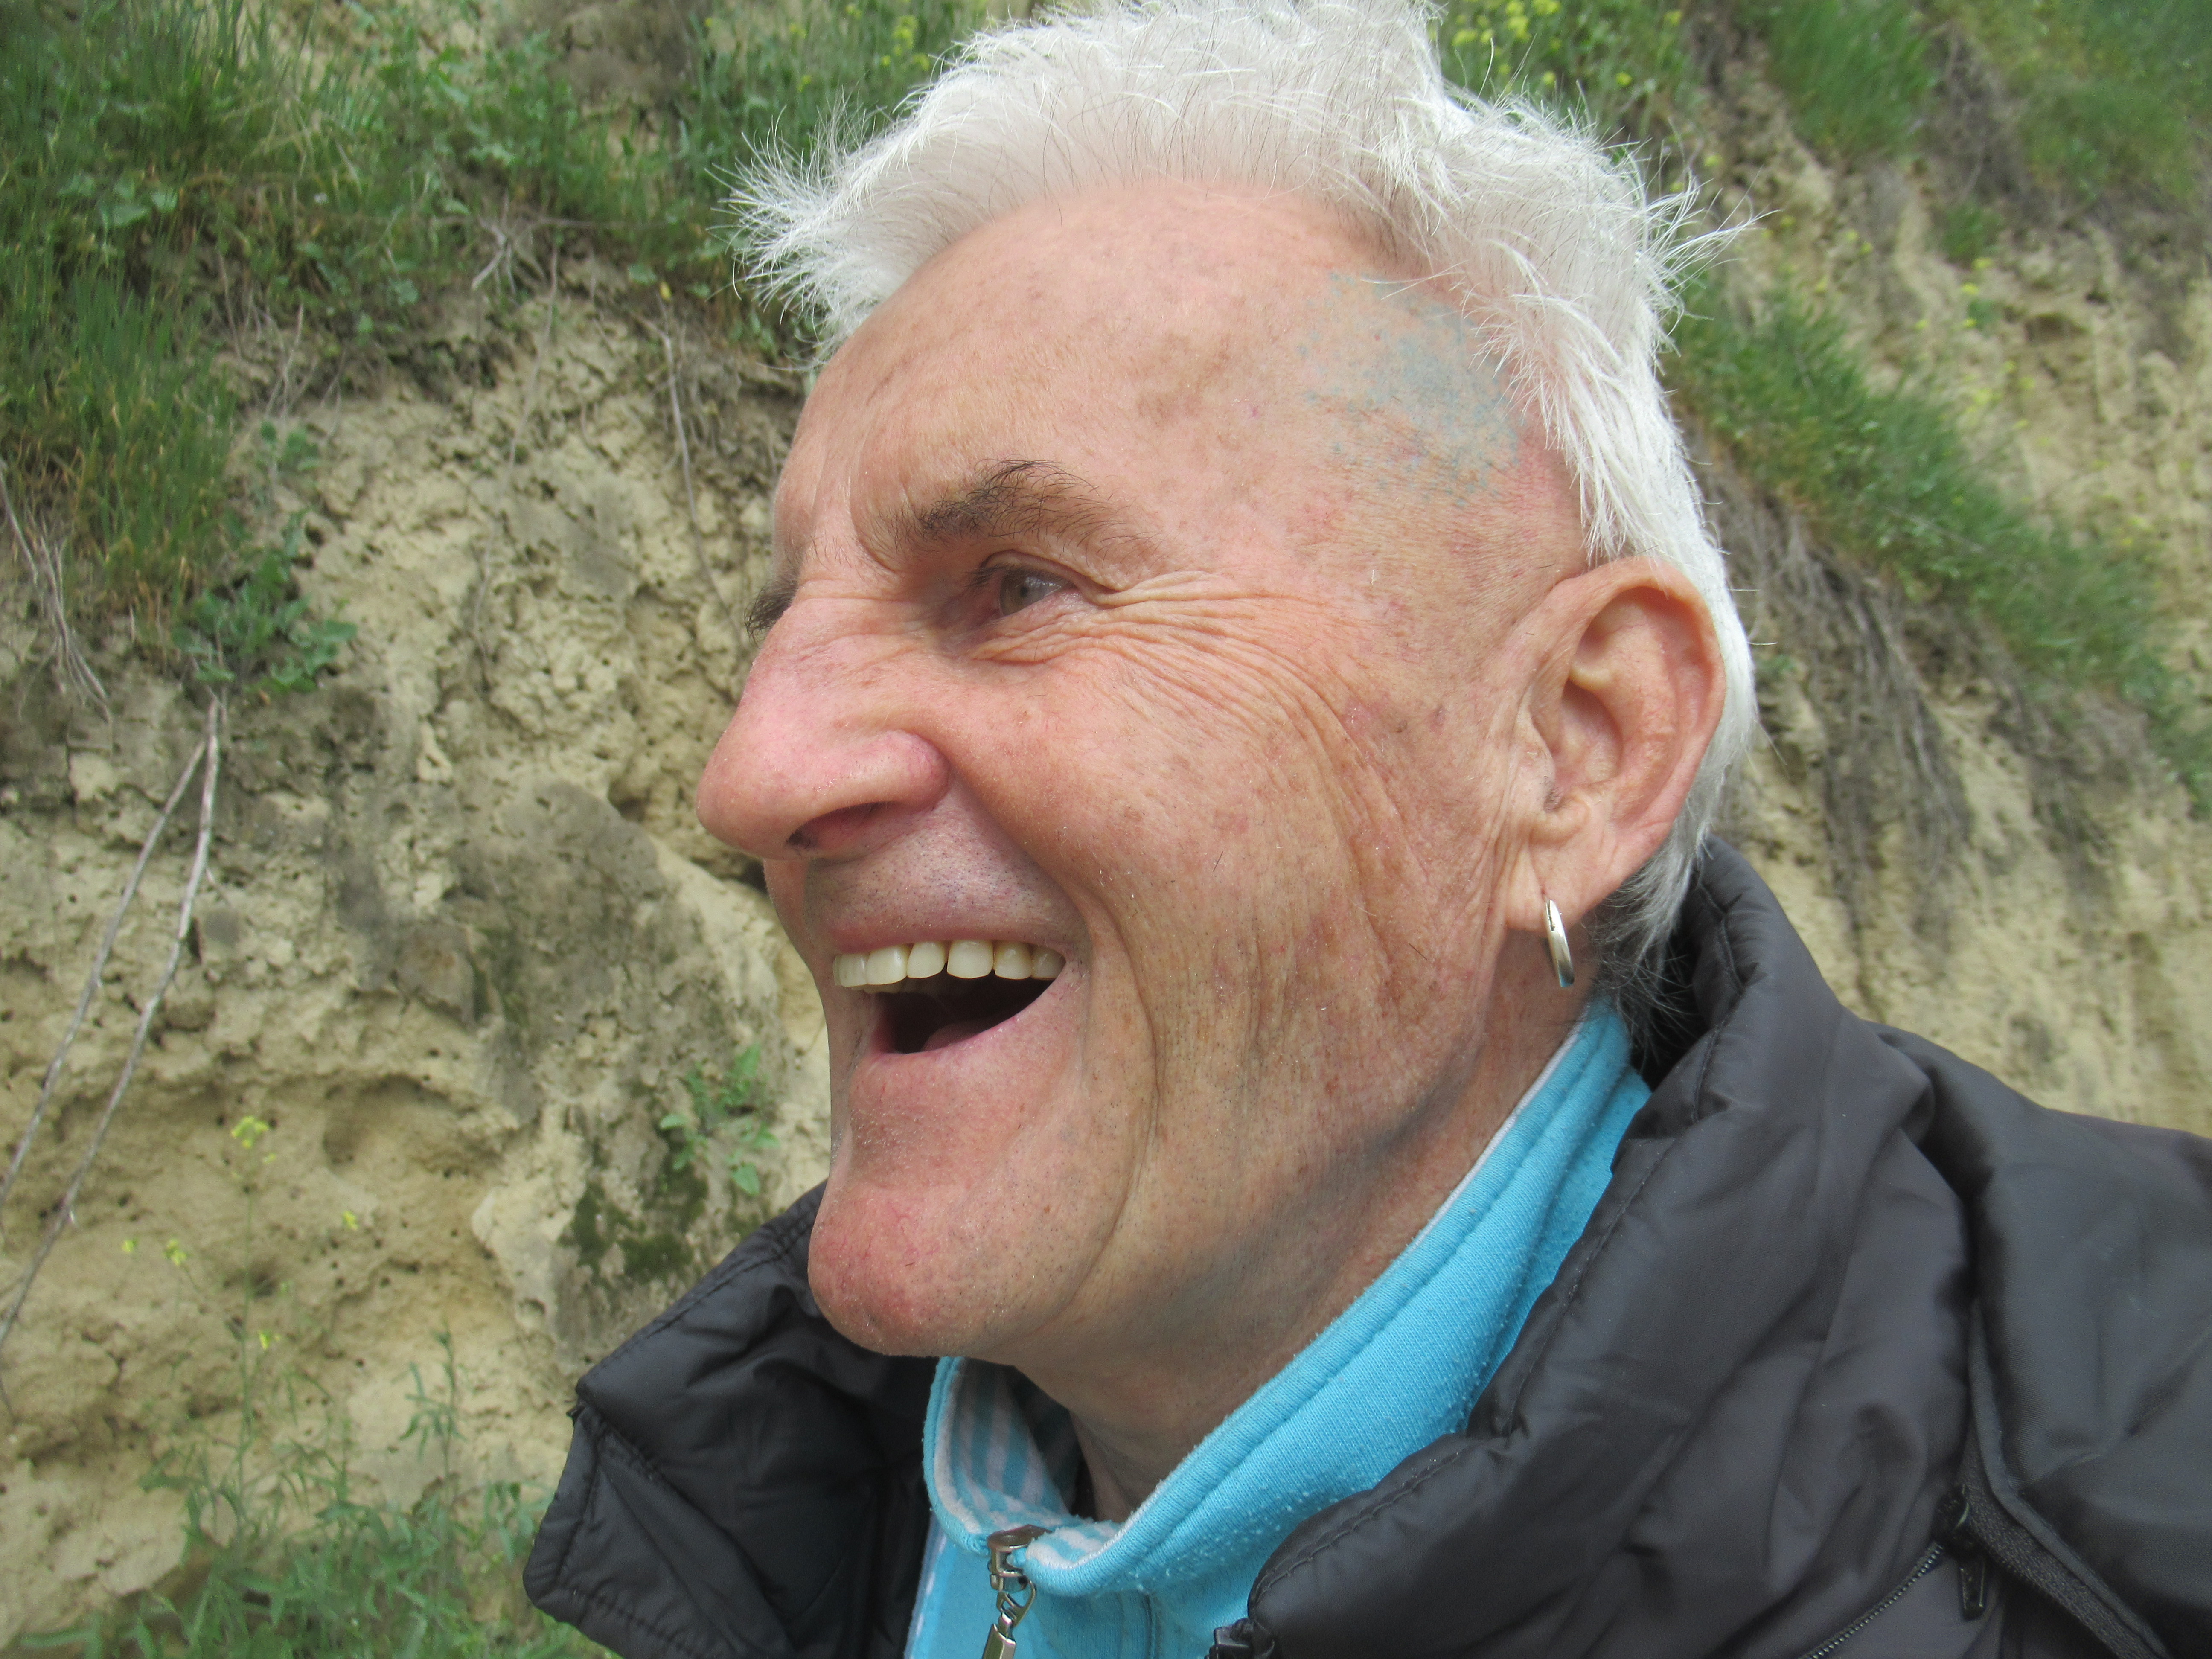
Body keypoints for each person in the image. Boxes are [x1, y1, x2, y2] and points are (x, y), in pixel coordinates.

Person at [523, 4, 2212, 1655]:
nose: (750, 774)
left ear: (1575, 748)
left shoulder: (2126, 1544)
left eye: (1019, 587)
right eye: (782, 621)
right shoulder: (806, 1499)